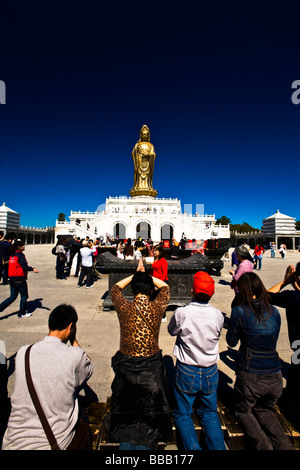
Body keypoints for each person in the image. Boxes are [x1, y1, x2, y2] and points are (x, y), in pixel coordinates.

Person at [1, 304, 93, 450]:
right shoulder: (75, 355)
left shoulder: (23, 352)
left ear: (49, 325)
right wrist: (73, 339)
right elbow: (88, 368)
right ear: (70, 327)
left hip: (12, 441)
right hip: (54, 443)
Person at [109, 259, 172, 450]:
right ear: (150, 290)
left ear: (133, 290)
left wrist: (135, 276)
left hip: (127, 365)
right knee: (148, 416)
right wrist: (147, 277)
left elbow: (115, 289)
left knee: (127, 415)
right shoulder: (157, 306)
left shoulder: (124, 307)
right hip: (151, 367)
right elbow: (165, 287)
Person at [226, 272, 293, 450]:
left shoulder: (240, 311)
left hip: (251, 374)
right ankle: (285, 446)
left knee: (243, 410)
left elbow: (231, 342)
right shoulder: (275, 311)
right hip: (275, 373)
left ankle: (263, 446)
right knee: (266, 410)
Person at [168, 271, 226, 450]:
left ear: (192, 290)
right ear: (212, 293)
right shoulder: (218, 315)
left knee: (183, 413)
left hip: (187, 369)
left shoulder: (182, 312)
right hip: (210, 369)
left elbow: (172, 331)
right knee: (210, 413)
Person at [268, 263, 300, 430]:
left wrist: (286, 281)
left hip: (298, 351)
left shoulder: (293, 297)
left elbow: (265, 295)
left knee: (293, 399)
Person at [0, 240, 39, 318]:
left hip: (12, 278)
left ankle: (0, 308)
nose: (24, 246)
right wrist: (32, 269)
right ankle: (22, 313)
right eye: (23, 245)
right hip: (19, 278)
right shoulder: (20, 255)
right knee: (24, 296)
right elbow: (24, 266)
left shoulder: (12, 254)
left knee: (12, 297)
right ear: (19, 247)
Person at [152, 244, 168, 322]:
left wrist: (159, 285)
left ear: (160, 252)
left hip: (160, 282)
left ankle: (163, 316)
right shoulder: (155, 259)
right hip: (154, 281)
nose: (154, 252)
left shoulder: (163, 261)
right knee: (154, 299)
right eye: (154, 250)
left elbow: (164, 274)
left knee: (161, 300)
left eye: (156, 250)